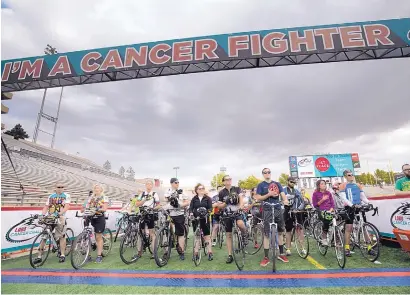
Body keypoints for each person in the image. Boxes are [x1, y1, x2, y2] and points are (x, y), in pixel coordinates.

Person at [255, 168, 289, 266]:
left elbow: (283, 195)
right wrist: (268, 194)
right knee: (266, 233)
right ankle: (266, 257)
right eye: (265, 172)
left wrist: (285, 200)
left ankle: (281, 254)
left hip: (277, 208)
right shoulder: (261, 185)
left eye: (269, 172)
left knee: (280, 231)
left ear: (271, 173)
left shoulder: (277, 183)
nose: (267, 174)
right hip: (267, 209)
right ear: (263, 174)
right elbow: (258, 197)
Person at [34, 183, 71, 264]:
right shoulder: (51, 196)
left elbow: (67, 206)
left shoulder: (66, 195)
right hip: (50, 217)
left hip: (60, 217)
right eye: (59, 187)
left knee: (62, 236)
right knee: (44, 236)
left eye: (62, 187)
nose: (60, 188)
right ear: (55, 188)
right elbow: (46, 207)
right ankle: (39, 256)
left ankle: (62, 255)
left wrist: (60, 214)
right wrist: (42, 215)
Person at [216, 175, 247, 264]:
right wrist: (227, 202)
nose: (229, 181)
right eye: (226, 179)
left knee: (240, 224)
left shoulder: (237, 189)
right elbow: (219, 206)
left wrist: (240, 207)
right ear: (223, 182)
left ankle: (245, 234)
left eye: (230, 179)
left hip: (237, 212)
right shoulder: (221, 192)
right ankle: (230, 255)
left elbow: (241, 199)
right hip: (227, 214)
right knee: (228, 235)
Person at [338, 169, 370, 257]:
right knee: (349, 228)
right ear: (345, 176)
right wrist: (352, 205)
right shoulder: (342, 185)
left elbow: (363, 197)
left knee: (364, 227)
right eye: (349, 175)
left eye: (352, 175)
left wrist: (369, 203)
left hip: (358, 206)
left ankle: (369, 247)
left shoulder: (358, 185)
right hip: (349, 208)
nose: (351, 176)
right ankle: (347, 248)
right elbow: (344, 198)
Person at [129, 180, 160, 258]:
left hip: (150, 214)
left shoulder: (154, 194)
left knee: (152, 233)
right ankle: (139, 252)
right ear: (145, 185)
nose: (148, 185)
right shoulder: (142, 194)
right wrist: (144, 200)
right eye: (147, 184)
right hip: (142, 214)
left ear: (152, 185)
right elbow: (136, 204)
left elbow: (158, 205)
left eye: (150, 184)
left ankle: (154, 252)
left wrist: (153, 209)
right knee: (140, 233)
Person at [164, 178, 189, 260]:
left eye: (178, 182)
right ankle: (166, 252)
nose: (177, 184)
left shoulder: (182, 191)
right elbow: (165, 199)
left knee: (180, 233)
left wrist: (181, 205)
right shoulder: (168, 191)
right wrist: (171, 198)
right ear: (171, 183)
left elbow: (187, 201)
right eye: (175, 182)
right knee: (167, 232)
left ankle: (181, 251)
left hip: (179, 213)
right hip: (170, 213)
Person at [83, 184, 109, 263]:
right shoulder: (91, 197)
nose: (96, 189)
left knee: (98, 237)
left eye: (98, 188)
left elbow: (104, 208)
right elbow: (86, 206)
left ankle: (99, 256)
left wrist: (98, 209)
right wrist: (86, 210)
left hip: (99, 217)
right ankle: (88, 255)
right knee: (87, 236)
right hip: (90, 216)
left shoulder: (104, 197)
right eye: (95, 188)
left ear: (101, 190)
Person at [189, 183, 213, 260]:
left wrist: (208, 213)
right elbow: (191, 208)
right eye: (200, 188)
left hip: (205, 219)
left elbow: (210, 208)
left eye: (203, 188)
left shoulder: (208, 198)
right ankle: (195, 253)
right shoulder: (194, 199)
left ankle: (210, 253)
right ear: (196, 190)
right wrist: (191, 214)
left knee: (207, 236)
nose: (201, 190)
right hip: (196, 219)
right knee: (197, 236)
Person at [283, 177, 305, 256]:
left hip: (297, 212)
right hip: (288, 212)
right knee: (288, 231)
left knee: (300, 230)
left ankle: (303, 248)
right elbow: (281, 201)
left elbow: (302, 201)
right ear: (287, 181)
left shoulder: (296, 191)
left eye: (294, 182)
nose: (293, 183)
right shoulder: (283, 190)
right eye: (291, 182)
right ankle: (288, 249)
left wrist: (299, 208)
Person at [312, 180, 335, 246]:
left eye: (324, 184)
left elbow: (332, 203)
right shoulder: (315, 194)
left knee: (338, 219)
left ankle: (335, 238)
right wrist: (323, 199)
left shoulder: (328, 193)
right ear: (318, 186)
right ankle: (324, 238)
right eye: (322, 184)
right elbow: (315, 205)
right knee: (326, 221)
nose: (324, 185)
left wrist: (331, 209)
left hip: (330, 210)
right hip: (321, 211)